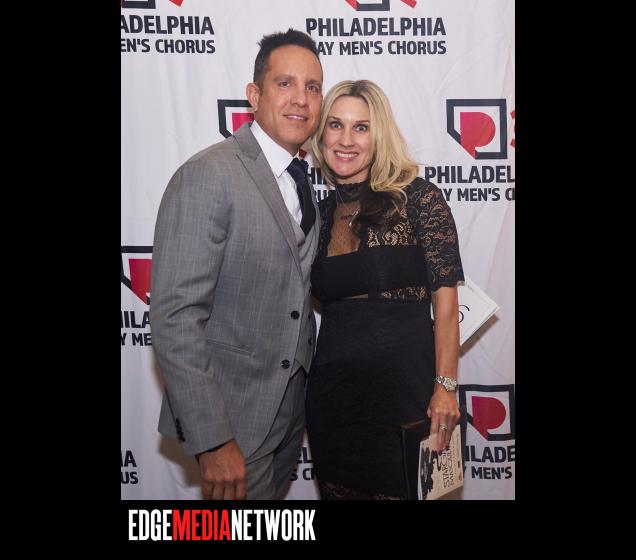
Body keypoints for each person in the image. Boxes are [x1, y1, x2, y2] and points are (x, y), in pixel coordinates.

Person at [149, 29, 323, 500]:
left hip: (288, 414)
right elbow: (175, 316)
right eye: (285, 83)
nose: (301, 99)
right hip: (234, 420)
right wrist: (212, 440)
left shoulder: (301, 177)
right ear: (254, 95)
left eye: (312, 87)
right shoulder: (208, 174)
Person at [306, 80, 464, 500]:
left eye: (361, 127)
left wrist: (446, 386)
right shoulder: (318, 215)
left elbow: (446, 305)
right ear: (321, 135)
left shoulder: (419, 199)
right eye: (335, 125)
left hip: (408, 400)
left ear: (379, 136)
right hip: (333, 404)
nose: (346, 139)